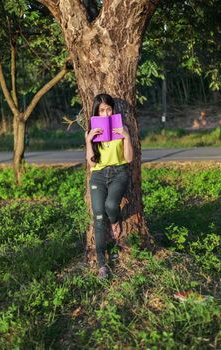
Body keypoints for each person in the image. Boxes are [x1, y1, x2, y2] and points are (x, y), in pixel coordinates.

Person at [85, 93, 133, 278]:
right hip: (98, 175)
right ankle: (102, 265)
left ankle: (115, 221)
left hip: (119, 172)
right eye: (102, 110)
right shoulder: (90, 131)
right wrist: (89, 140)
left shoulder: (121, 128)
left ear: (113, 110)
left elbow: (128, 159)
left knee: (111, 206)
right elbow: (92, 164)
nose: (105, 114)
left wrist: (126, 137)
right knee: (98, 216)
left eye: (109, 109)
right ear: (96, 112)